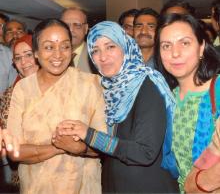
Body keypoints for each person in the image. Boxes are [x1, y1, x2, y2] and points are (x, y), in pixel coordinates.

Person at [54, 21, 179, 193]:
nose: (102, 57)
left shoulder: (146, 85)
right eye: (95, 50)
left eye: (110, 46)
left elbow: (145, 152)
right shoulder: (111, 90)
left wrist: (88, 134)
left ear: (125, 47)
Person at [7, 19, 106, 194]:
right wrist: (59, 147)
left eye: (65, 46)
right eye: (49, 47)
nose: (58, 55)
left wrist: (81, 149)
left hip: (83, 186)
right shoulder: (23, 88)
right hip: (35, 186)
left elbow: (105, 144)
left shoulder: (91, 84)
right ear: (36, 52)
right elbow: (15, 152)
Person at [154, 13, 220, 192]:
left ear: (201, 48)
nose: (175, 53)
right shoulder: (167, 98)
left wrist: (203, 182)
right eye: (166, 46)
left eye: (185, 43)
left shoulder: (218, 89)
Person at [0, 34, 39, 189]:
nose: (24, 62)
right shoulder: (10, 93)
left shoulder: (59, 87)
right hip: (22, 172)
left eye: (28, 55)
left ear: (39, 54)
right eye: (18, 58)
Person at [61, 7, 96, 73]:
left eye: (77, 25)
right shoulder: (49, 56)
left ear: (85, 29)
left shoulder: (97, 55)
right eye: (66, 25)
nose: (71, 29)